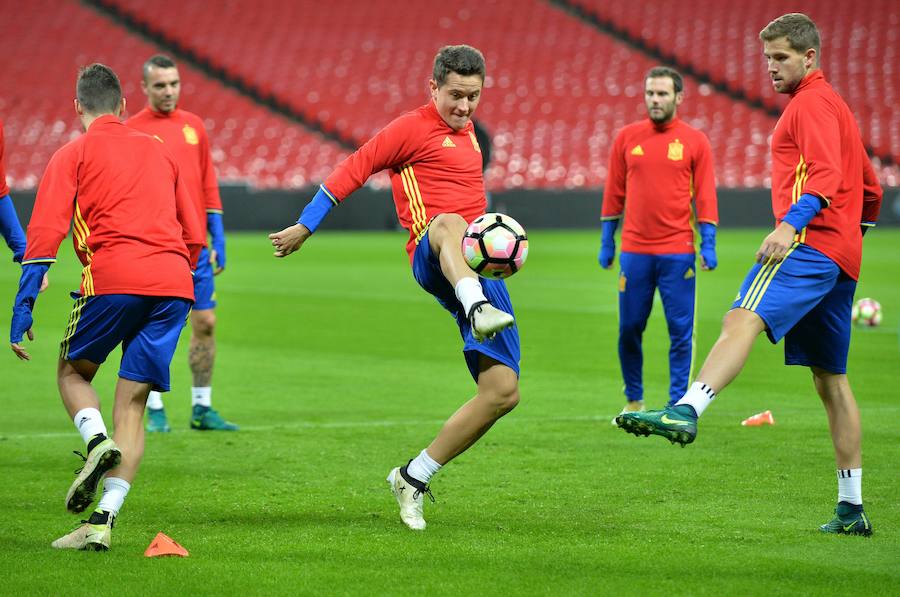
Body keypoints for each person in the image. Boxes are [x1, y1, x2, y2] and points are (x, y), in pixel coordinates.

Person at [616, 13, 883, 536]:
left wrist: (792, 226)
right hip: (839, 255)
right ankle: (851, 508)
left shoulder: (809, 104)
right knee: (831, 380)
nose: (772, 68)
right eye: (767, 58)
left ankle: (687, 409)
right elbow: (869, 189)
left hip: (807, 244)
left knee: (742, 316)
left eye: (781, 57)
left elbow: (826, 175)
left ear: (810, 58)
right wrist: (849, 243)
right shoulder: (838, 109)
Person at [269, 45, 519, 531]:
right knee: (448, 223)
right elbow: (353, 169)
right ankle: (474, 305)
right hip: (433, 253)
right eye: (455, 96)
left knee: (502, 392)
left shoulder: (470, 137)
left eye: (473, 97)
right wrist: (306, 225)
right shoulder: (410, 128)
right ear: (433, 87)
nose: (464, 107)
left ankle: (414, 476)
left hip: (475, 272)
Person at [10, 63, 203, 550]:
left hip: (114, 276)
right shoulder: (160, 151)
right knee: (133, 405)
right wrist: (179, 274)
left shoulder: (72, 153)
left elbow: (45, 233)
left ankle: (95, 441)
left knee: (72, 373)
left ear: (77, 107)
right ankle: (100, 523)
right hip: (175, 282)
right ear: (122, 106)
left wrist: (24, 303)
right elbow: (193, 231)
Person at [599, 66, 718, 421]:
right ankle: (634, 398)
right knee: (629, 328)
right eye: (650, 93)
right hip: (634, 252)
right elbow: (614, 191)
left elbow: (706, 196)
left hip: (678, 251)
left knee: (680, 332)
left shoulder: (695, 141)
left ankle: (676, 404)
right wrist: (608, 239)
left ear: (679, 98)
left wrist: (707, 242)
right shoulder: (626, 137)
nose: (655, 99)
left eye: (663, 94)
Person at [127, 54, 236, 432]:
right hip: (156, 245)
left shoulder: (194, 126)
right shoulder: (132, 131)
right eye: (160, 85)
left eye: (174, 84)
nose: (169, 91)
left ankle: (201, 408)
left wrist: (217, 232)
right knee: (150, 326)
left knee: (204, 322)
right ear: (144, 88)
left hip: (196, 244)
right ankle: (153, 407)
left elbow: (206, 180)